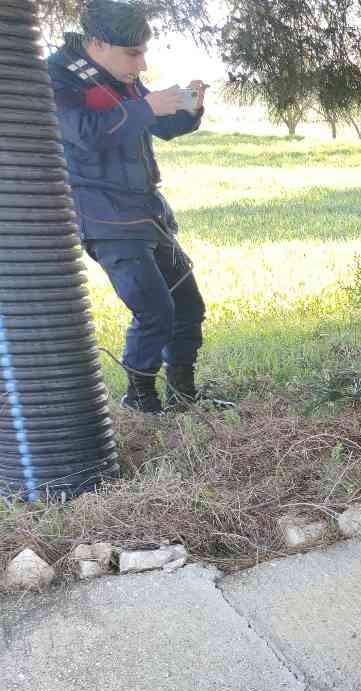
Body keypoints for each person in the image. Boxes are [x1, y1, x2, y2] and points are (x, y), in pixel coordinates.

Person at [47, 0, 208, 415]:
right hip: (103, 214)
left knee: (188, 307)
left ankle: (184, 396)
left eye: (143, 52)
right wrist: (146, 106)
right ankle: (140, 400)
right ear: (98, 43)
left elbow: (158, 126)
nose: (141, 63)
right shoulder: (58, 76)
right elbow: (85, 134)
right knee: (155, 312)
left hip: (148, 211)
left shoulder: (122, 76)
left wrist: (190, 109)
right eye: (133, 53)